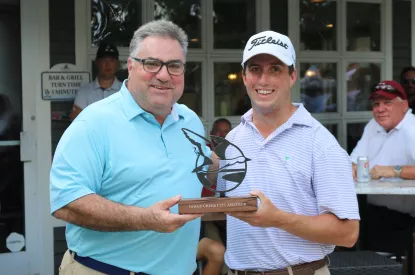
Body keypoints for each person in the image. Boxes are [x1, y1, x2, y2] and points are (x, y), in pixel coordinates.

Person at [50, 20, 218, 275]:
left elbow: (203, 168)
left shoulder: (190, 120)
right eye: (151, 63)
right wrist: (144, 219)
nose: (163, 75)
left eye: (174, 66)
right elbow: (67, 202)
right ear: (130, 66)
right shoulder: (93, 122)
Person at [217, 30, 360, 275]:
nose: (263, 80)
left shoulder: (320, 142)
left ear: (292, 76)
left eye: (275, 69)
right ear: (244, 77)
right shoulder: (233, 140)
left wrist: (278, 219)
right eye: (255, 69)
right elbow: (226, 206)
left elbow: (348, 234)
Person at [350, 80, 415, 271]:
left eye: (388, 103)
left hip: (407, 219)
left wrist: (393, 170)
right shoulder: (373, 126)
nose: (380, 109)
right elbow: (354, 161)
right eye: (376, 104)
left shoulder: (412, 128)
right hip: (373, 213)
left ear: (404, 105)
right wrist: (353, 169)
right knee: (367, 262)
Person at [70, 43, 122, 121]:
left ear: (117, 64)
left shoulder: (125, 91)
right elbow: (77, 122)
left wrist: (89, 117)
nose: (108, 64)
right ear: (97, 63)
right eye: (104, 60)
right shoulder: (84, 92)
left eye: (111, 60)